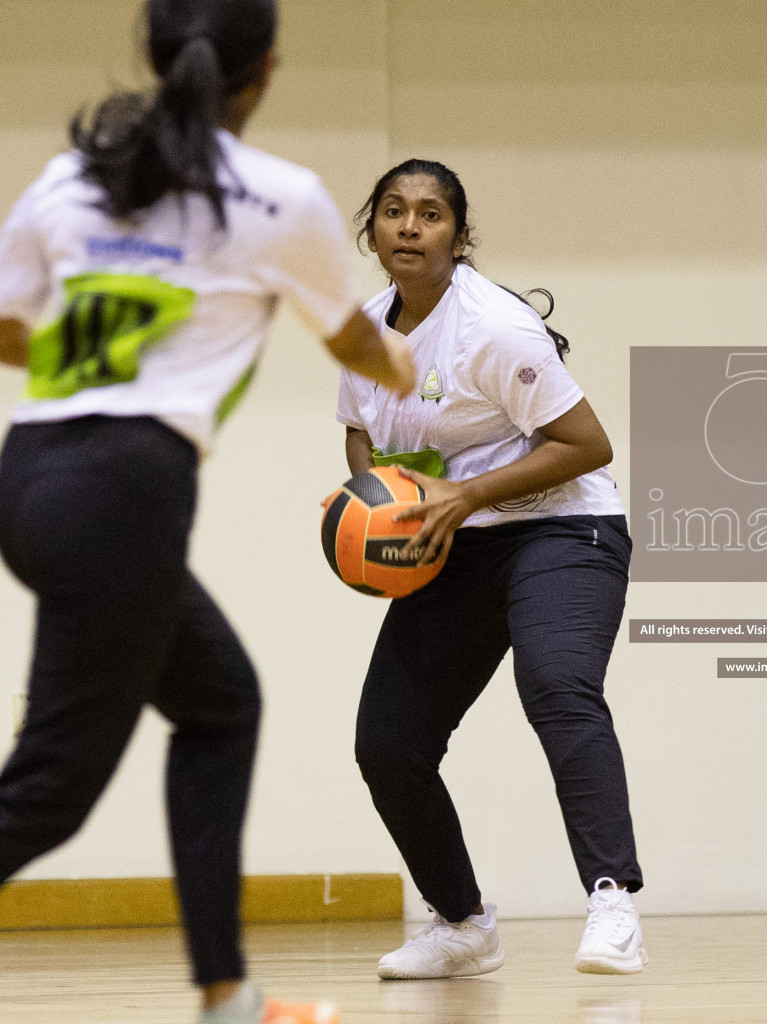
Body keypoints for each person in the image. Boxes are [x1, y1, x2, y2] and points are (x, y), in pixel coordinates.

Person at [0, 1, 415, 1021]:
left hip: (32, 475)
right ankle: (225, 993)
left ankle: (226, 992)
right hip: (126, 492)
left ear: (150, 53)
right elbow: (357, 347)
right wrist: (402, 360)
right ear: (265, 67)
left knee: (220, 699)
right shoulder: (281, 198)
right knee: (49, 791)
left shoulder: (71, 175)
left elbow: (9, 328)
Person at [339, 159, 646, 979]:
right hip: (457, 541)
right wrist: (380, 504)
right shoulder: (363, 331)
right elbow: (361, 436)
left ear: (458, 236)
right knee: (388, 742)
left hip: (563, 528)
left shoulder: (494, 327)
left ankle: (613, 903)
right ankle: (463, 924)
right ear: (371, 230)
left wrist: (462, 491)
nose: (410, 226)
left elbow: (587, 445)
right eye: (394, 211)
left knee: (555, 687)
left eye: (431, 214)